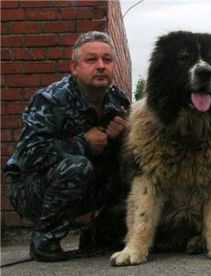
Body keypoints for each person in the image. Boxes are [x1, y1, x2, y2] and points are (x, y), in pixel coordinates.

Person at [4, 31, 131, 262]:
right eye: (91, 60)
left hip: (84, 182)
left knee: (130, 168)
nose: (101, 66)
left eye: (107, 60)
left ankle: (100, 233)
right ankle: (45, 239)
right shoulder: (51, 99)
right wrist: (83, 143)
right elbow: (29, 155)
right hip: (31, 187)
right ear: (74, 67)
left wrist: (120, 139)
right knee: (77, 166)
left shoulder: (118, 101)